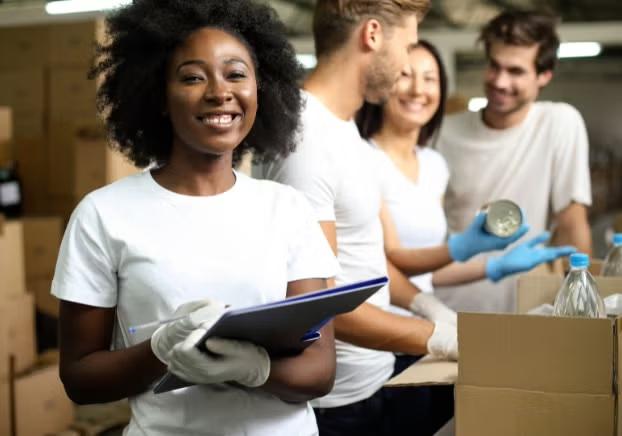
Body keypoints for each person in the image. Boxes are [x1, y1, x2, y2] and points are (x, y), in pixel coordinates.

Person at [51, 1, 340, 435]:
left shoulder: (288, 209)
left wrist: (255, 368)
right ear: (159, 96)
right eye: (192, 76)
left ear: (262, 89)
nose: (219, 92)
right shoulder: (103, 214)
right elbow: (79, 379)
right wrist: (161, 351)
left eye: (236, 74)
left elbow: (320, 372)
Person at [255, 2, 538, 435]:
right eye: (406, 47)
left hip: (377, 379)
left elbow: (362, 256)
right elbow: (317, 304)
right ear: (372, 35)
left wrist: (426, 305)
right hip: (337, 405)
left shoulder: (341, 130)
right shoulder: (305, 140)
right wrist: (436, 338)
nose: (407, 63)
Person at [356, 40, 575, 304]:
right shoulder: (362, 157)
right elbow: (390, 260)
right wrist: (459, 248)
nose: (417, 90)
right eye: (404, 75)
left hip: (420, 330)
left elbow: (427, 273)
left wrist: (495, 267)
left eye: (429, 79)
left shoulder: (434, 165)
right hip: (380, 325)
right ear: (382, 84)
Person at [435, 10, 593, 313]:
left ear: (543, 76)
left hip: (524, 305)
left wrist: (581, 306)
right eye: (494, 66)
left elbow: (572, 222)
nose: (500, 81)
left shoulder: (560, 123)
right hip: (449, 307)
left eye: (516, 71)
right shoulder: (444, 133)